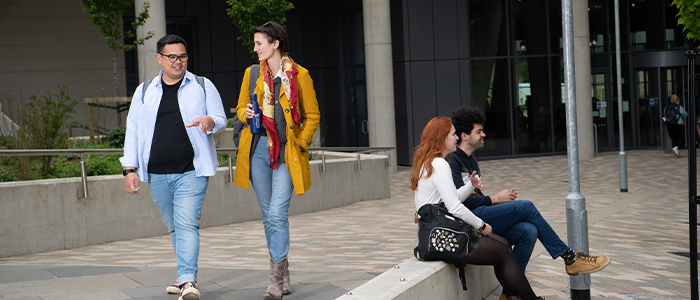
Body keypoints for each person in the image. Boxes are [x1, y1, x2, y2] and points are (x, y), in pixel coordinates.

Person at [448, 107, 610, 300]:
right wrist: (495, 199)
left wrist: (495, 200)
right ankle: (570, 258)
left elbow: (473, 196)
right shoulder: (453, 161)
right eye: (479, 131)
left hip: (479, 214)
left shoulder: (471, 160)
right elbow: (462, 202)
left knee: (528, 231)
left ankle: (510, 293)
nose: (484, 134)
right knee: (525, 207)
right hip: (466, 222)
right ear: (465, 136)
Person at [120, 34, 227, 300]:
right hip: (156, 173)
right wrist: (129, 169)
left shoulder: (202, 86)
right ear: (160, 59)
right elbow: (132, 130)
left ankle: (188, 281)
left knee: (186, 223)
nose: (178, 61)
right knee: (173, 225)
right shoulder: (145, 91)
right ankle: (184, 276)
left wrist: (209, 121)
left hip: (191, 171)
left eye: (182, 56)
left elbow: (221, 118)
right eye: (172, 57)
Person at [411, 117, 544, 300]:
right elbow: (455, 207)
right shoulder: (439, 164)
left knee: (504, 246)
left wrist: (471, 186)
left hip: (436, 233)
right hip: (443, 235)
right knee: (503, 251)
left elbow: (451, 198)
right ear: (441, 138)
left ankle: (512, 296)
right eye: (452, 134)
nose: (456, 138)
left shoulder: (431, 162)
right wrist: (481, 225)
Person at [234, 21, 320, 300]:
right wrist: (246, 114)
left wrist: (301, 142)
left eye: (259, 43)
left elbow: (312, 116)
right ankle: (282, 272)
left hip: (286, 152)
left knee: (276, 213)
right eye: (255, 43)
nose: (255, 48)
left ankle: (274, 280)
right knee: (267, 217)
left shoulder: (299, 75)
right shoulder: (252, 73)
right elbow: (238, 109)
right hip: (258, 150)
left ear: (275, 44)